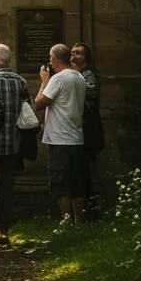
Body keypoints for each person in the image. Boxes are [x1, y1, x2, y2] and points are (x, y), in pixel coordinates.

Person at [0, 43, 31, 248]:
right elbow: (28, 111)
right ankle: (4, 230)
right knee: (6, 187)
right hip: (13, 145)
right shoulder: (20, 82)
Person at [35, 43, 87, 223]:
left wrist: (44, 81)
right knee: (77, 181)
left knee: (61, 181)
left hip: (60, 139)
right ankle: (79, 220)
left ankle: (66, 221)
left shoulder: (58, 79)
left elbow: (39, 103)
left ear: (53, 59)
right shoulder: (79, 77)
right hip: (76, 138)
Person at [71, 42, 103, 212]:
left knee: (84, 171)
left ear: (86, 58)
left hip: (88, 130)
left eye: (80, 53)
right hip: (79, 129)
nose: (75, 56)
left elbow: (89, 94)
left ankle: (89, 209)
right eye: (73, 52)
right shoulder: (75, 74)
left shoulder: (88, 75)